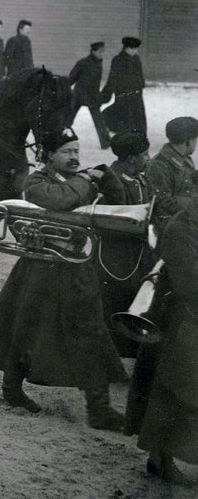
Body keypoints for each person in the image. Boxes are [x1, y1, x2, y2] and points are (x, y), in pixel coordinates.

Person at [0, 129, 128, 429]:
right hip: (40, 268)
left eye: (77, 151)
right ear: (48, 155)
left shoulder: (80, 180)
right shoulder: (36, 182)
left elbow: (117, 203)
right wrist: (89, 180)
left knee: (91, 331)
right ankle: (12, 390)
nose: (75, 157)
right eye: (67, 151)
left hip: (76, 268)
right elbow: (61, 201)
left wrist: (108, 177)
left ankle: (99, 408)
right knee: (25, 329)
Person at [130, 202, 198, 485]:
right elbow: (190, 282)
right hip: (182, 320)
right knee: (171, 391)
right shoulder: (182, 227)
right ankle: (159, 459)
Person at [96, 131, 156, 356]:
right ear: (131, 158)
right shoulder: (112, 179)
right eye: (145, 154)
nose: (148, 158)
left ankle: (127, 351)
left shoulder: (139, 177)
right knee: (113, 301)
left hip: (137, 252)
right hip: (116, 256)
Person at [146, 116, 198, 227]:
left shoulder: (185, 158)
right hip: (174, 225)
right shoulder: (160, 165)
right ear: (188, 141)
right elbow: (163, 202)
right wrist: (194, 207)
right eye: (195, 139)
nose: (196, 143)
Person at [67, 41, 111, 149]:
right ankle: (60, 137)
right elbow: (72, 77)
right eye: (100, 52)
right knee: (68, 119)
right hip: (79, 95)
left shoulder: (99, 62)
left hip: (92, 96)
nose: (101, 54)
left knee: (99, 120)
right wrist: (64, 88)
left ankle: (106, 143)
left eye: (103, 52)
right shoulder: (83, 62)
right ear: (93, 51)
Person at [102, 36, 147, 137]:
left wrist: (141, 84)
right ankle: (125, 136)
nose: (134, 51)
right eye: (131, 49)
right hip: (123, 92)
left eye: (135, 49)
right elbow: (112, 77)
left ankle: (140, 137)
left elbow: (140, 74)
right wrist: (107, 92)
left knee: (138, 115)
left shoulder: (136, 59)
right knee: (124, 115)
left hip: (136, 93)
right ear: (125, 48)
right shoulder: (118, 60)